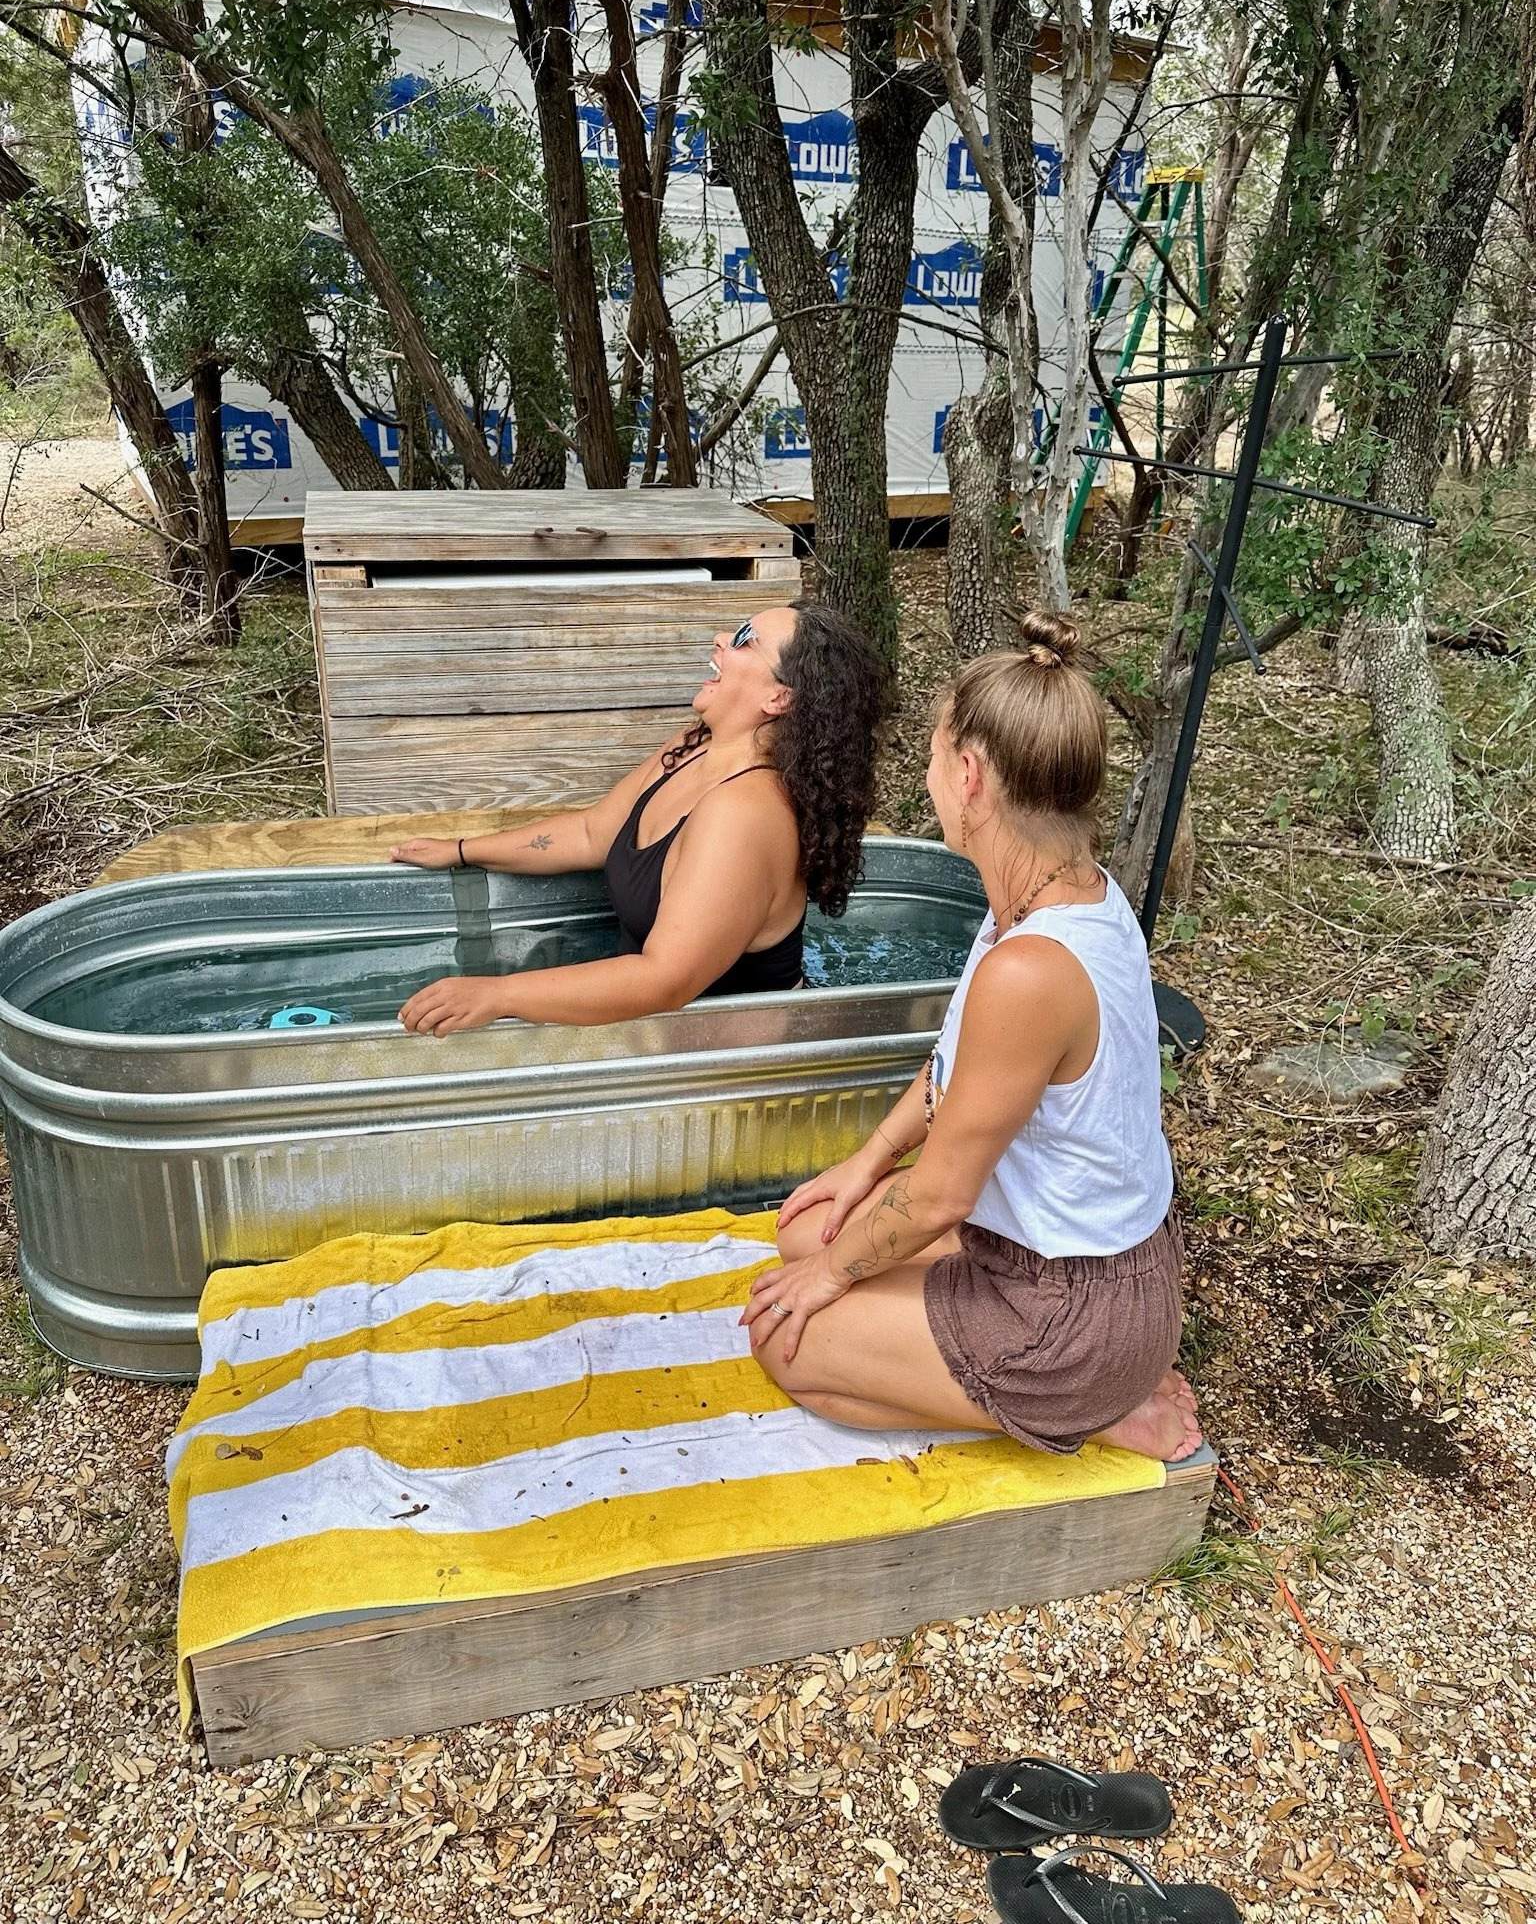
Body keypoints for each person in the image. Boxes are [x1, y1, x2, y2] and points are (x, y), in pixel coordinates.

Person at [740, 611, 1202, 1463]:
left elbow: (943, 1195)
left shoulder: (1030, 969)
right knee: (802, 1231)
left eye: (930, 760)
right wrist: (866, 1162)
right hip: (1055, 1256)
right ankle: (1069, 1385)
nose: (926, 783)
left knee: (784, 1335)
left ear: (969, 773)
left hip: (1071, 1310)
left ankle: (1093, 1413)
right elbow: (953, 1064)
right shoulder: (1061, 894)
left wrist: (834, 1279)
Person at [389, 602, 885, 1033]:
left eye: (743, 640)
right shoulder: (695, 748)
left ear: (778, 698)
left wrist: (497, 995)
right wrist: (460, 851)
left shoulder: (745, 813)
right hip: (663, 1038)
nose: (720, 640)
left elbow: (662, 980)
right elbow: (589, 833)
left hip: (734, 1073)